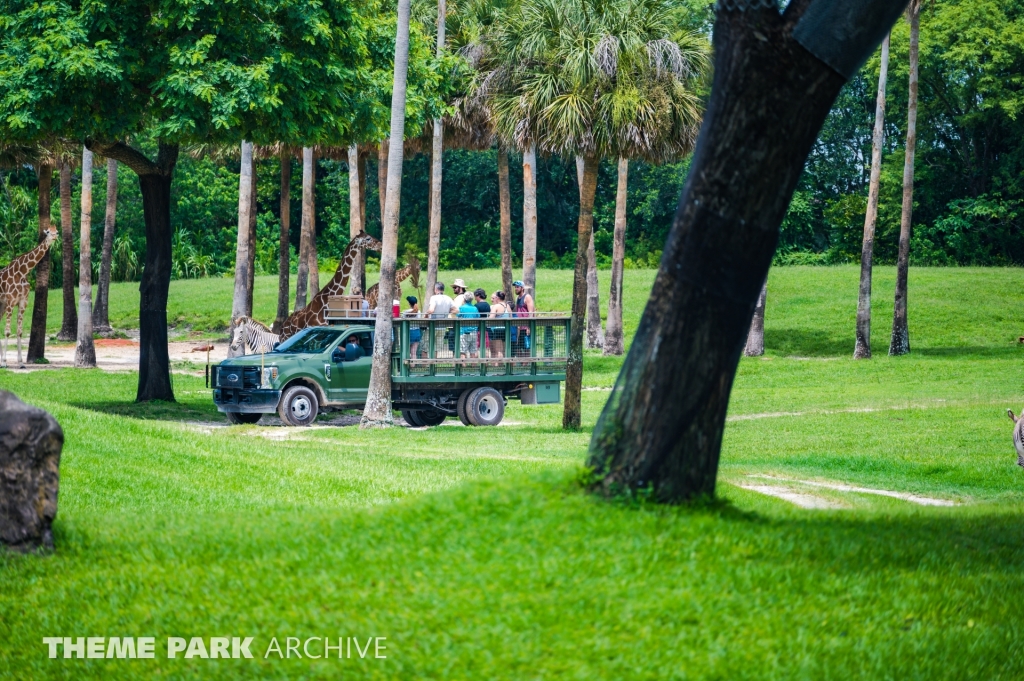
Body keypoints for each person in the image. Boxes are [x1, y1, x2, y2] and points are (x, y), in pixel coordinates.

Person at [426, 282, 454, 358]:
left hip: (432, 326)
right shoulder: (448, 298)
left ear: (436, 289)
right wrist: (447, 311)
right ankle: (433, 365)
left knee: (425, 346)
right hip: (443, 327)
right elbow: (456, 310)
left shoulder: (434, 298)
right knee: (436, 348)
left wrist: (426, 314)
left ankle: (424, 365)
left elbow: (431, 310)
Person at [513, 280, 535, 356]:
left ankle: (526, 363)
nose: (516, 288)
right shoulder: (517, 298)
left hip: (526, 326)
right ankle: (522, 362)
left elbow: (531, 312)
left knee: (527, 346)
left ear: (522, 288)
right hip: (520, 327)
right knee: (518, 346)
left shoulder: (527, 297)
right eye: (515, 287)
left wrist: (529, 327)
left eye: (517, 287)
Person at [489, 290, 511, 358]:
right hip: (506, 329)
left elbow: (491, 318)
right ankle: (503, 366)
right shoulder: (508, 306)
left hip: (497, 329)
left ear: (497, 298)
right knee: (503, 350)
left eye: (495, 297)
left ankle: (498, 367)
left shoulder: (496, 306)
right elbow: (511, 317)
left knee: (498, 350)